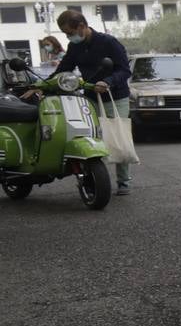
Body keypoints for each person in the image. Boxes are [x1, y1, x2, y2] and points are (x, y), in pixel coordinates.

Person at [46, 10, 135, 193]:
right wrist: (42, 85)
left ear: (81, 26)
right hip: (89, 97)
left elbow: (125, 70)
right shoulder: (74, 47)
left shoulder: (108, 42)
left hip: (115, 96)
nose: (68, 37)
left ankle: (123, 182)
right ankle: (95, 179)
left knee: (118, 136)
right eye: (65, 34)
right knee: (90, 137)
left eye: (69, 33)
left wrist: (107, 82)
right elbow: (63, 70)